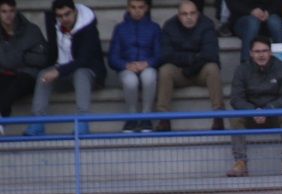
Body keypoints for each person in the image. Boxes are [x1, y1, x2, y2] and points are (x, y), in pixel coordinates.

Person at [23, 0, 106, 137]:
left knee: (80, 73)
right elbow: (53, 53)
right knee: (43, 75)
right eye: (60, 16)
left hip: (88, 73)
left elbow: (84, 60)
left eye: (67, 14)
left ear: (75, 11)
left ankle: (82, 122)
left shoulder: (88, 28)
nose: (64, 19)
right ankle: (37, 122)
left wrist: (59, 71)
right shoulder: (54, 24)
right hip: (63, 70)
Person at [226, 36, 282, 177]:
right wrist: (253, 111)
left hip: (274, 114)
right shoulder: (242, 70)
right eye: (257, 51)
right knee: (234, 117)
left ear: (270, 52)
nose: (261, 54)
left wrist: (268, 110)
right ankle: (240, 162)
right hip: (250, 116)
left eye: (265, 51)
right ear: (251, 53)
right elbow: (236, 98)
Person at [155, 0, 225, 132]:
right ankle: (163, 119)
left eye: (192, 13)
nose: (189, 17)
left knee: (213, 68)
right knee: (165, 70)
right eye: (184, 14)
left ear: (198, 14)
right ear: (178, 15)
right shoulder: (169, 26)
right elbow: (165, 55)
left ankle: (218, 116)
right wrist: (191, 59)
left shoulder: (207, 24)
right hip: (180, 72)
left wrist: (191, 66)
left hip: (200, 71)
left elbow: (210, 54)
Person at [108, 0, 162, 133]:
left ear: (147, 8)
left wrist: (147, 63)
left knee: (149, 76)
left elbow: (160, 54)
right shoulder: (120, 28)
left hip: (147, 66)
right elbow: (113, 57)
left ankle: (146, 117)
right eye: (133, 7)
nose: (137, 11)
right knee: (130, 81)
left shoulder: (154, 28)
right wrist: (126, 65)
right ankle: (132, 117)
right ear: (128, 8)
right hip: (127, 67)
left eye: (141, 7)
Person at [0, 0, 47, 135]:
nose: (8, 15)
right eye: (4, 11)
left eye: (11, 11)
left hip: (27, 75)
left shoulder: (31, 30)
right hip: (5, 73)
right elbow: (7, 62)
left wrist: (20, 58)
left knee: (10, 91)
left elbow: (43, 58)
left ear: (16, 11)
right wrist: (23, 56)